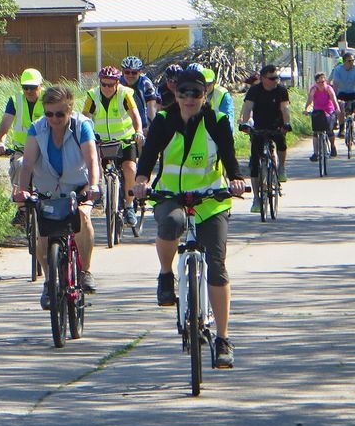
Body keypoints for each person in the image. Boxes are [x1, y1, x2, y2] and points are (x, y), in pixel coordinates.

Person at [132, 68, 246, 369]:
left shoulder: (216, 121)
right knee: (171, 223)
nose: (190, 98)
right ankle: (166, 274)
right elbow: (149, 155)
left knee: (217, 265)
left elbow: (229, 155)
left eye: (196, 93)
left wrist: (235, 179)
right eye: (184, 93)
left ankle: (223, 339)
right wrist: (141, 179)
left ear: (204, 95)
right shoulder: (164, 120)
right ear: (176, 94)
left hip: (211, 199)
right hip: (170, 194)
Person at [15, 85, 100, 303]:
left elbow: (91, 160)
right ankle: (49, 281)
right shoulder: (37, 129)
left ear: (70, 111)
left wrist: (93, 186)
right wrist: (22, 192)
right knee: (41, 232)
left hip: (78, 188)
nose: (54, 119)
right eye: (49, 113)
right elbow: (27, 166)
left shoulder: (82, 126)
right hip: (47, 190)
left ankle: (85, 271)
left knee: (82, 217)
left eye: (60, 114)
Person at [82, 65, 144, 226]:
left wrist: (138, 131)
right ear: (100, 83)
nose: (107, 88)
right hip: (102, 140)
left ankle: (129, 206)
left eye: (111, 84)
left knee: (130, 168)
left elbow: (135, 114)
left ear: (117, 83)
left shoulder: (125, 94)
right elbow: (85, 117)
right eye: (104, 84)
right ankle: (100, 193)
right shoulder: (92, 95)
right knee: (95, 166)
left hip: (124, 140)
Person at [0, 68, 45, 225]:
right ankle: (22, 209)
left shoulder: (50, 98)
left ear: (41, 86)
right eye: (25, 87)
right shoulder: (15, 101)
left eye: (33, 87)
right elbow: (5, 124)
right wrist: (0, 142)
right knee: (20, 165)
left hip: (44, 149)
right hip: (22, 149)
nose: (29, 91)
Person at [239, 64, 292, 213]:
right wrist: (245, 123)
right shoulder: (254, 90)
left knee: (281, 143)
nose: (276, 80)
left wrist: (286, 124)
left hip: (276, 125)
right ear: (263, 78)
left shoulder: (281, 90)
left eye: (277, 77)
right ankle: (256, 198)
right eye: (272, 78)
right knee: (254, 163)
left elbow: (284, 108)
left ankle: (281, 167)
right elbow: (248, 108)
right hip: (259, 127)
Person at [330, 52, 355, 147]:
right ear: (344, 62)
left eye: (353, 60)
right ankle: (342, 128)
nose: (352, 62)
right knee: (340, 106)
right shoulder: (338, 69)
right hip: (342, 92)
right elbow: (335, 85)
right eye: (350, 61)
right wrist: (335, 99)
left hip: (354, 92)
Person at [303, 72, 339, 160]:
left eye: (323, 81)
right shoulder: (314, 89)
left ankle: (333, 147)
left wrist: (337, 108)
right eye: (319, 82)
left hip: (328, 110)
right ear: (316, 82)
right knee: (315, 132)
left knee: (329, 130)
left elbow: (333, 98)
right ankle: (315, 153)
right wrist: (306, 109)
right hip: (318, 111)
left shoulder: (328, 88)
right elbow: (310, 98)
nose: (321, 84)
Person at [120, 56, 159, 131]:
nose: (130, 75)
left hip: (143, 125)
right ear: (122, 72)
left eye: (134, 72)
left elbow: (151, 108)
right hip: (123, 126)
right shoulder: (118, 82)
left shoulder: (146, 83)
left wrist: (150, 128)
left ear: (140, 72)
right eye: (127, 72)